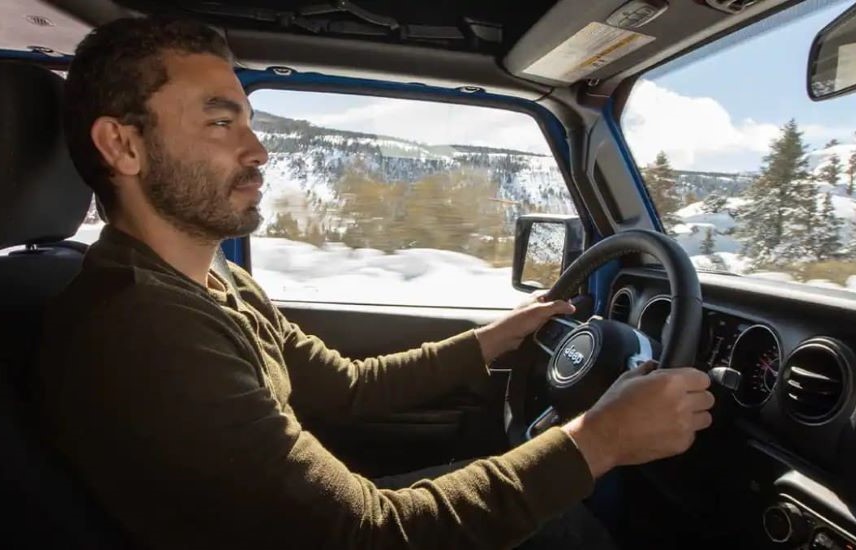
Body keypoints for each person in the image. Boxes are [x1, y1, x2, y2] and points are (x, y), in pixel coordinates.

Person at [37, 17, 715, 550]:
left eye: (248, 118)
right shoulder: (142, 330)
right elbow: (365, 536)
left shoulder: (213, 280)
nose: (259, 149)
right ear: (123, 146)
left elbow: (346, 387)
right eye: (220, 121)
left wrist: (491, 340)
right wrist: (599, 441)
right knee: (561, 524)